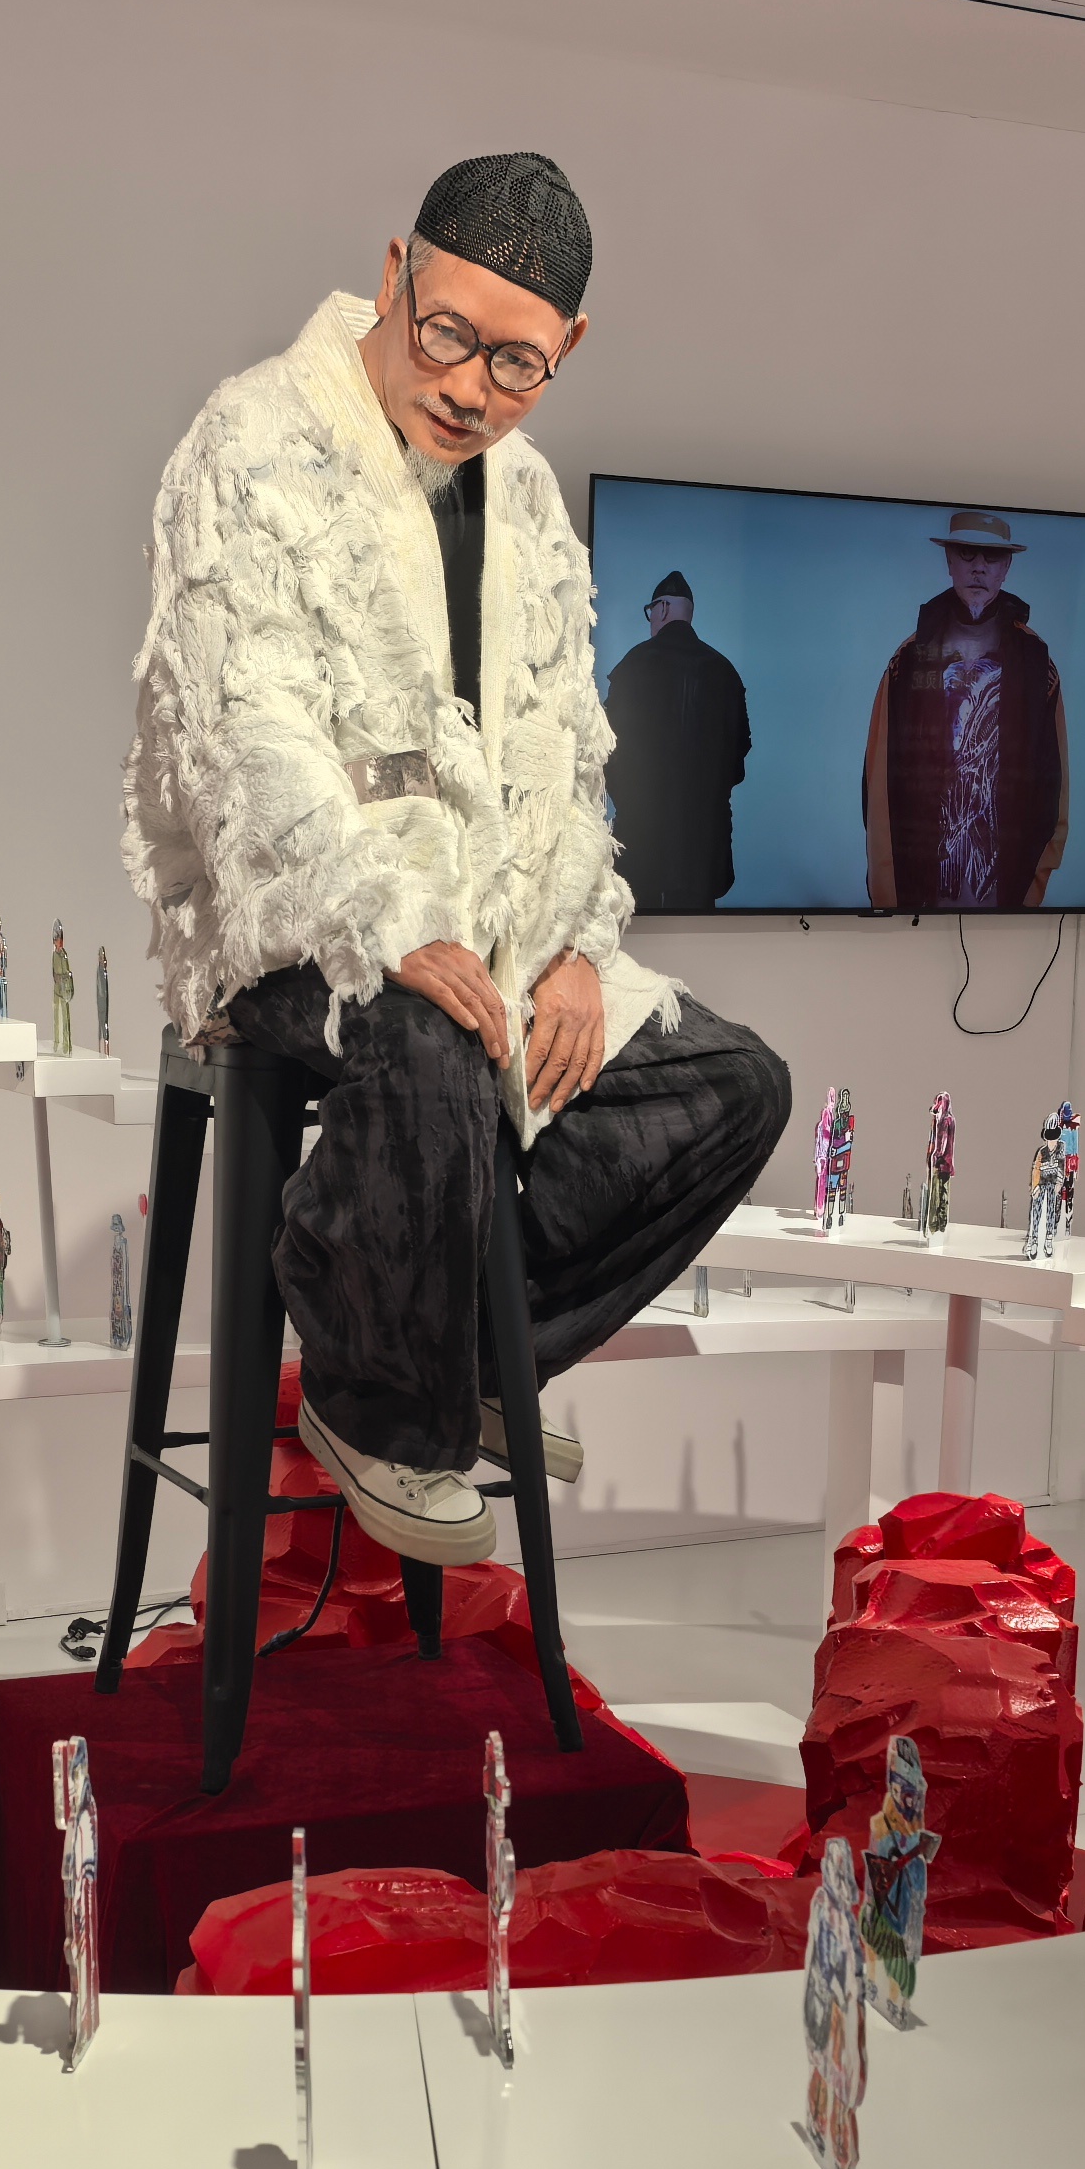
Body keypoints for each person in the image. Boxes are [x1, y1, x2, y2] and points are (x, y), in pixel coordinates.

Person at [120, 152, 789, 1566]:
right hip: (290, 918)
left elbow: (566, 752)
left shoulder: (527, 497)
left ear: (569, 350)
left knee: (731, 1086)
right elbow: (242, 735)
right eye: (448, 335)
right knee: (425, 1034)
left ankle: (460, 1352)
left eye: (519, 364)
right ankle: (376, 1400)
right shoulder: (248, 442)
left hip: (487, 925)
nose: (474, 389)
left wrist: (572, 950)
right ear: (394, 274)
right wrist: (381, 923)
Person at [860, 511, 1069, 912]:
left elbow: (1055, 779)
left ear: (1006, 568)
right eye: (967, 553)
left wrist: (1032, 886)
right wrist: (888, 892)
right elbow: (880, 774)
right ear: (949, 561)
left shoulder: (1035, 661)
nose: (979, 567)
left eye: (992, 557)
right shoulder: (910, 659)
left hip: (1005, 873)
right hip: (924, 872)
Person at [602, 570, 751, 913]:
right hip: (705, 843)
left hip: (641, 836)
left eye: (651, 610)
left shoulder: (632, 666)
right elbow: (738, 756)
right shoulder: (724, 671)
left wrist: (630, 800)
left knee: (636, 931)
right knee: (699, 932)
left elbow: (607, 747)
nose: (651, 619)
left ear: (663, 608)